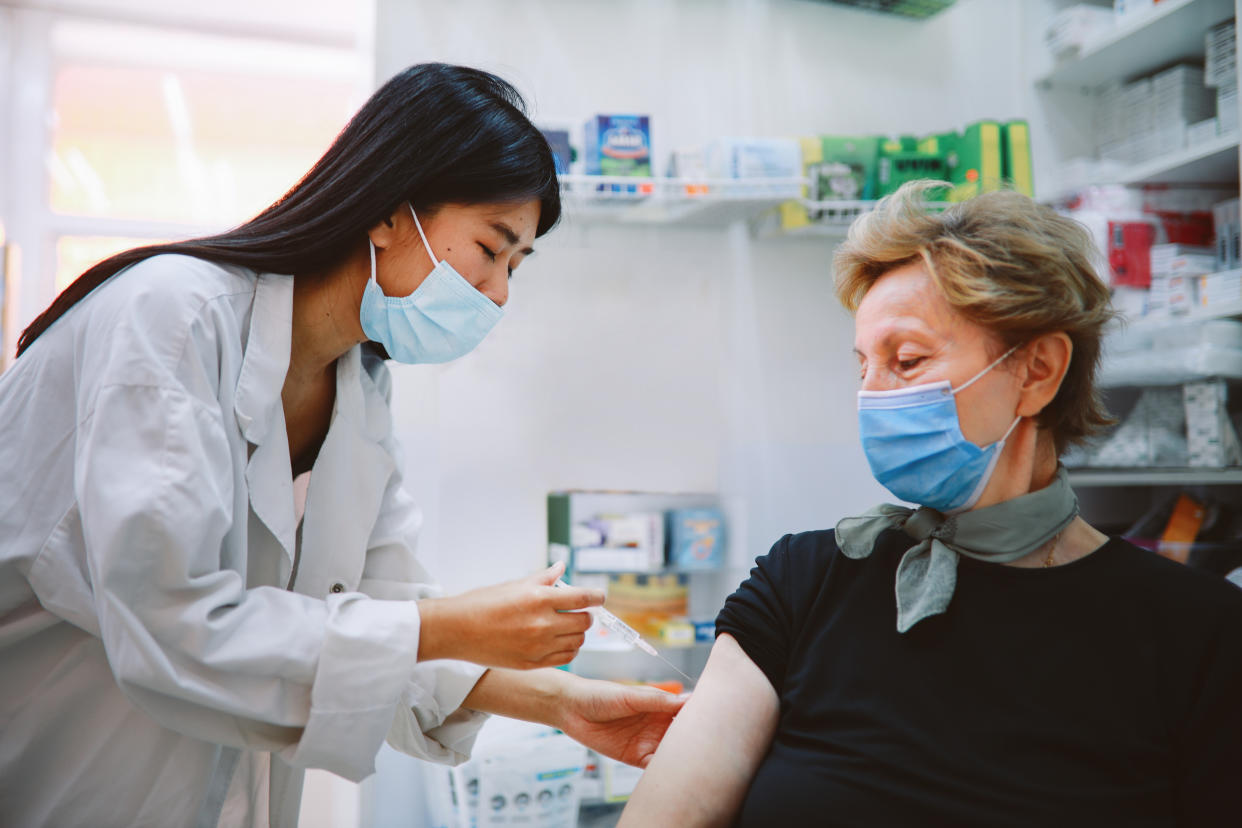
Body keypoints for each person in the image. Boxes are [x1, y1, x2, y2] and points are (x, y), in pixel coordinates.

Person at [0, 63, 682, 828]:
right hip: (60, 776)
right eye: (492, 248)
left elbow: (373, 616)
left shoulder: (356, 389)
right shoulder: (172, 316)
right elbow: (175, 628)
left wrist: (562, 703)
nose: (499, 294)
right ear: (390, 211)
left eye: (516, 265)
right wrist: (454, 625)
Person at [620, 181, 1242, 827]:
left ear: (1037, 371)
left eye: (908, 360)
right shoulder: (805, 582)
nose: (873, 396)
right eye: (863, 366)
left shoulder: (1199, 633)